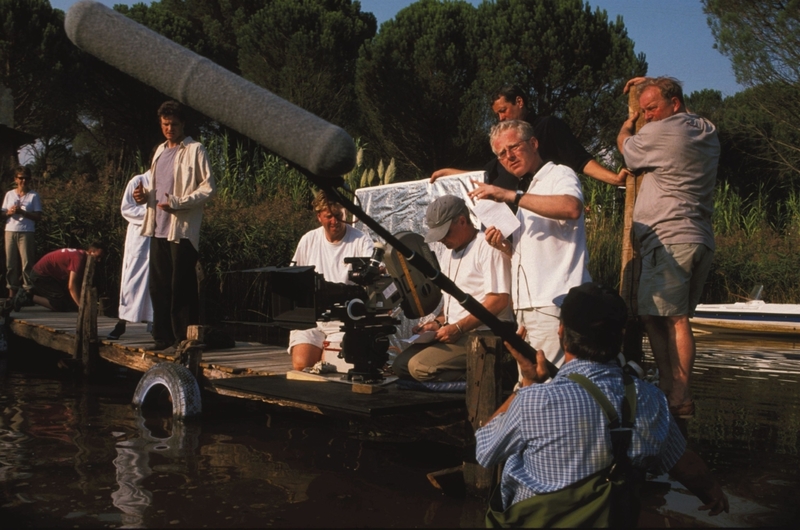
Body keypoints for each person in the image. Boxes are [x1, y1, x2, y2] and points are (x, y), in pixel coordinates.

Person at [475, 282, 729, 524]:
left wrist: (527, 383)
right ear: (620, 335)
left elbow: (485, 451)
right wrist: (711, 491)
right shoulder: (651, 399)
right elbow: (683, 463)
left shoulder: (533, 402)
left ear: (562, 331)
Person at [617, 77, 719, 418]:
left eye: (651, 109)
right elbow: (676, 102)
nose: (646, 116)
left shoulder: (664, 132)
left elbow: (628, 152)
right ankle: (670, 386)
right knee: (654, 314)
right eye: (642, 110)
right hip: (697, 237)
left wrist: (625, 128)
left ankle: (678, 393)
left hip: (671, 237)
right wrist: (651, 84)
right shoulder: (704, 128)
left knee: (673, 319)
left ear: (674, 104)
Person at [468, 119, 591, 369]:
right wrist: (505, 248)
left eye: (514, 147)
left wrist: (511, 195)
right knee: (531, 379)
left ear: (534, 143)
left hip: (553, 303)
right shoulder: (530, 188)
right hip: (526, 306)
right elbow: (540, 253)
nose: (508, 157)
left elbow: (572, 207)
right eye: (501, 154)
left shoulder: (559, 174)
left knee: (550, 381)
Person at [392, 195, 513, 382]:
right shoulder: (449, 253)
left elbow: (498, 301)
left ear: (462, 221)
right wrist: (438, 323)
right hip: (458, 331)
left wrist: (458, 327)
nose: (441, 240)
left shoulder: (487, 246)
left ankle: (493, 376)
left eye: (445, 233)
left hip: (485, 332)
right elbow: (451, 301)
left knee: (419, 367)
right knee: (400, 365)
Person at [133, 101, 216, 351]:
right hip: (158, 227)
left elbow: (208, 188)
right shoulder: (159, 151)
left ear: (183, 125)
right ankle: (162, 337)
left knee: (181, 286)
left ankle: (183, 338)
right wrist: (143, 196)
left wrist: (179, 203)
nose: (169, 128)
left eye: (174, 124)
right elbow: (156, 188)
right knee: (158, 286)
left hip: (181, 230)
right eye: (165, 124)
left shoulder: (195, 149)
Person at [431, 85, 628, 190]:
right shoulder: (504, 149)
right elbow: (484, 175)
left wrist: (614, 179)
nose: (501, 118)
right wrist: (450, 173)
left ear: (519, 102)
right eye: (497, 115)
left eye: (503, 111)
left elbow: (580, 160)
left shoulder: (548, 126)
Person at [289, 190, 374, 371]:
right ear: (319, 217)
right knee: (301, 364)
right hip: (313, 320)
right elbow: (294, 278)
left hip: (344, 321)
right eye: (329, 217)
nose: (334, 221)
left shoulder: (361, 241)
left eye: (339, 215)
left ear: (346, 214)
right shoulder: (309, 240)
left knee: (331, 367)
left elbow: (372, 280)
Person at [107, 171, 153, 340]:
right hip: (139, 237)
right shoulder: (139, 180)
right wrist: (151, 214)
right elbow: (127, 209)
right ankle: (122, 323)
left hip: (159, 237)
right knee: (131, 279)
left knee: (156, 280)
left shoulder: (168, 180)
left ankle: (154, 324)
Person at [16, 243, 105, 312]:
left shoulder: (80, 254)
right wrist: (80, 306)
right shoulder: (79, 259)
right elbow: (72, 286)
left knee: (68, 302)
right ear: (90, 252)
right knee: (60, 304)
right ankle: (27, 296)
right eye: (97, 257)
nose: (99, 260)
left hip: (50, 276)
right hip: (41, 275)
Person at [2, 166, 42, 299]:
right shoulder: (9, 194)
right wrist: (9, 212)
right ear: (16, 179)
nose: (23, 181)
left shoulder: (33, 195)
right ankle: (11, 294)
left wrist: (23, 212)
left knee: (27, 263)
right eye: (21, 178)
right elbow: (3, 213)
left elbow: (38, 216)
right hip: (10, 231)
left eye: (26, 178)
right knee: (11, 264)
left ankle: (28, 293)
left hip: (26, 232)